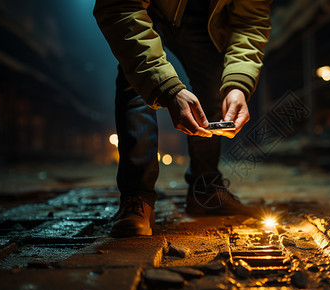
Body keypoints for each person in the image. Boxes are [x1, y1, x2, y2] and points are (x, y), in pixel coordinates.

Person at [93, 0, 271, 237]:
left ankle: (205, 189)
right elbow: (119, 6)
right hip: (148, 7)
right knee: (133, 79)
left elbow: (251, 21)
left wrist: (238, 85)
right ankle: (137, 199)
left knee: (214, 80)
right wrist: (167, 89)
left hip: (204, 16)